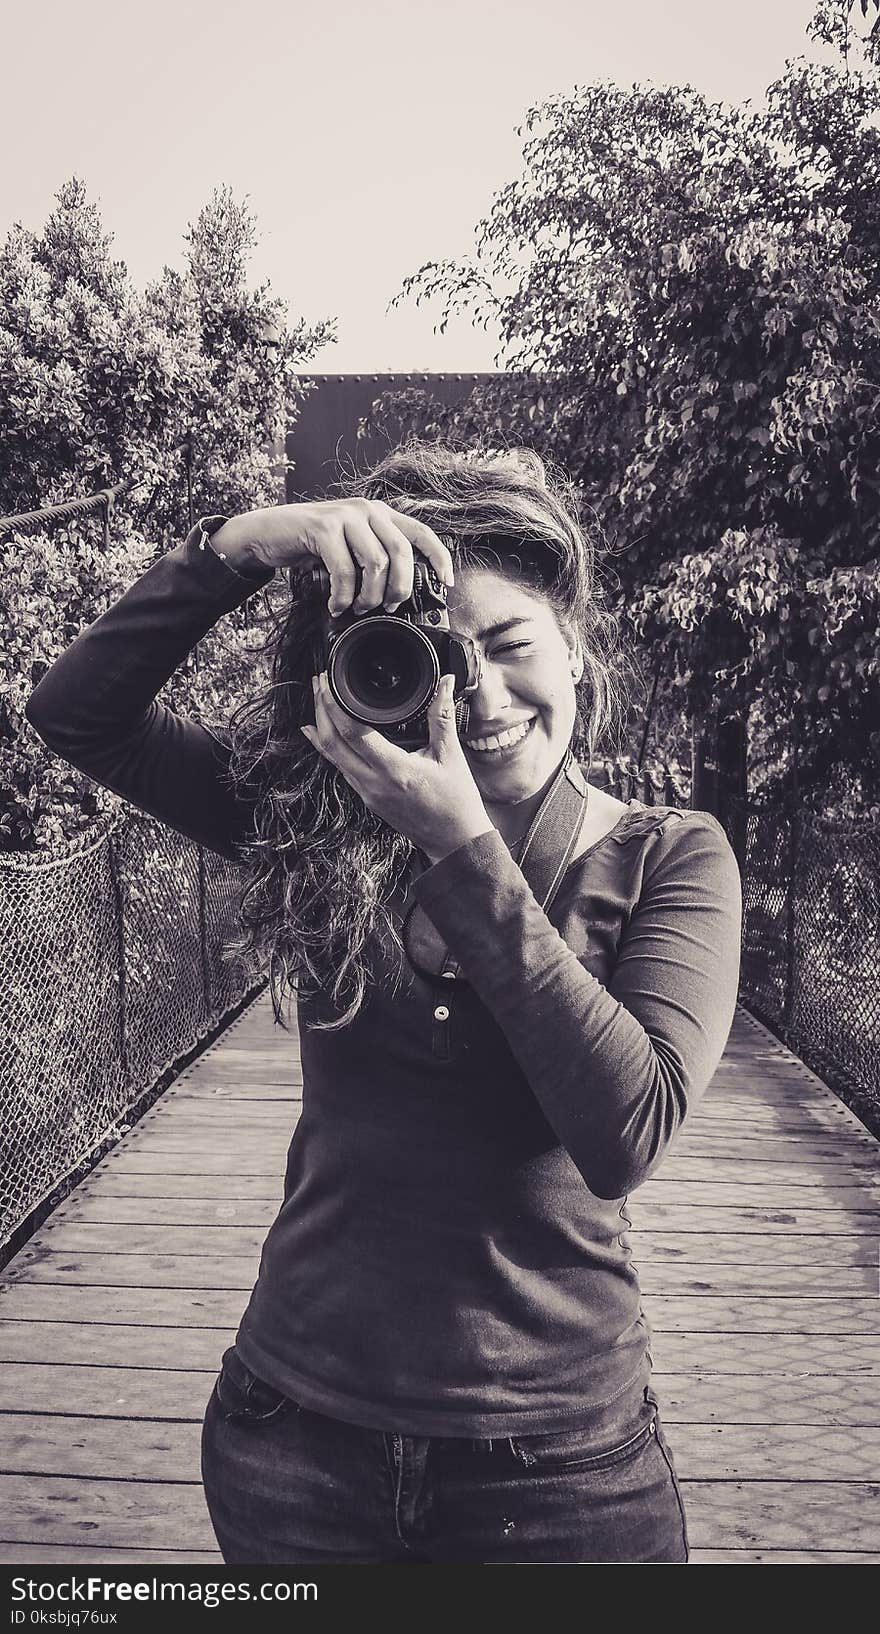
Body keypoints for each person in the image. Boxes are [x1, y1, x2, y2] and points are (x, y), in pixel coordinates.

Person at [25, 443, 742, 1565]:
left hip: (558, 1470)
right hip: (293, 1435)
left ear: (576, 648)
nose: (485, 699)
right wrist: (242, 543)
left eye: (511, 648)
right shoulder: (327, 834)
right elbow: (76, 714)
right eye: (444, 661)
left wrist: (460, 845)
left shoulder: (668, 857)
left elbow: (624, 1130)